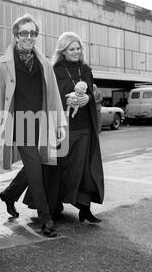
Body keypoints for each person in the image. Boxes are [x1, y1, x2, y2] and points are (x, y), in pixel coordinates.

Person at [0, 13, 67, 237]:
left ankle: (9, 194)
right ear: (15, 35)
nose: (29, 37)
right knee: (35, 168)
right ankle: (46, 218)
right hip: (19, 124)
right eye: (24, 33)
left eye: (33, 33)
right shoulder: (2, 65)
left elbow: (52, 95)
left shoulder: (44, 62)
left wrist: (59, 123)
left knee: (40, 164)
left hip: (41, 122)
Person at [24, 32, 104, 223]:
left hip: (84, 128)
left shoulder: (85, 69)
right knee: (58, 169)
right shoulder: (55, 70)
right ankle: (52, 206)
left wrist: (88, 97)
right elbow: (49, 96)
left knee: (84, 169)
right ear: (63, 51)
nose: (76, 52)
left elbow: (91, 91)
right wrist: (65, 97)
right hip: (62, 128)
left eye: (78, 48)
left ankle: (85, 209)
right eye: (71, 49)